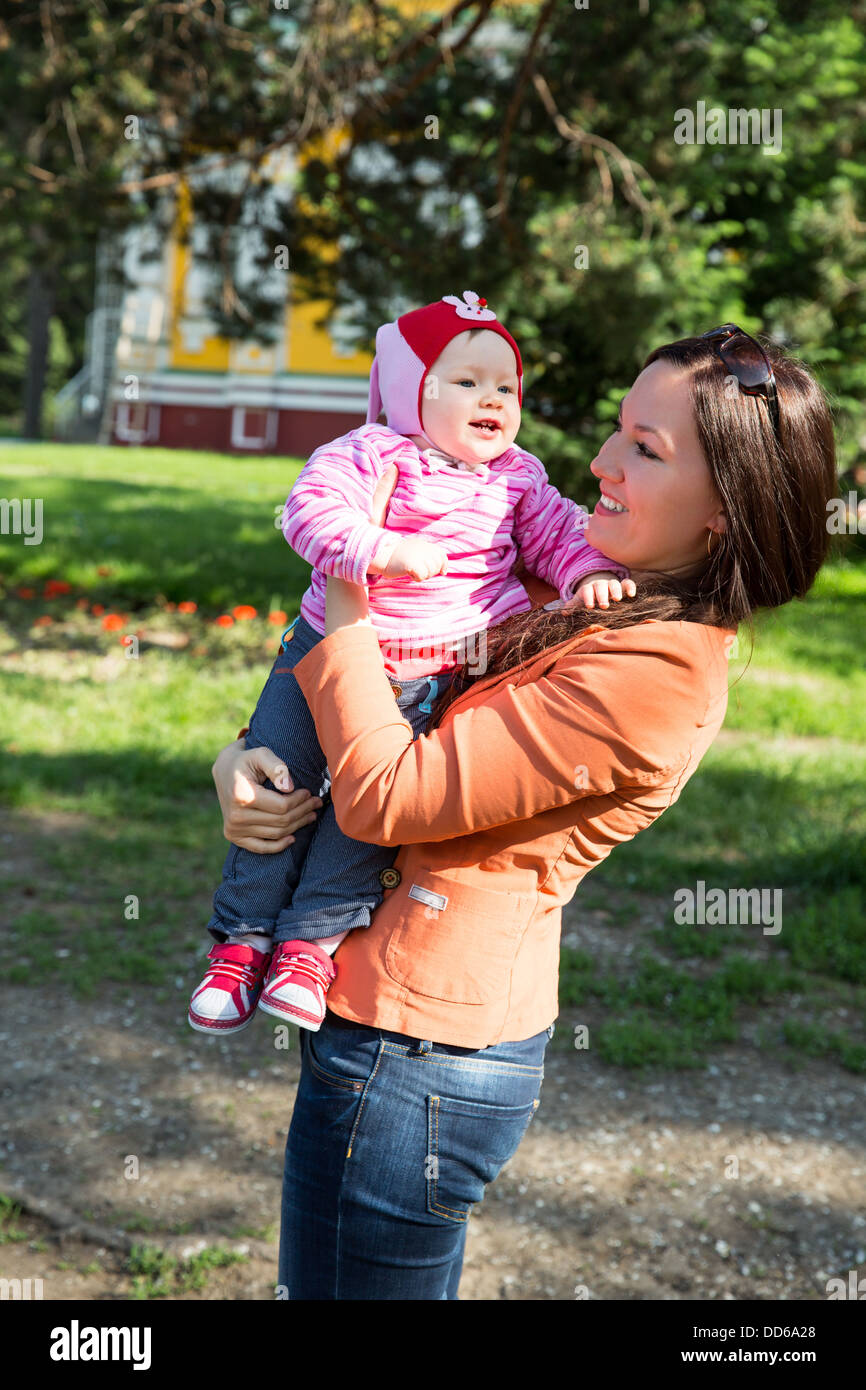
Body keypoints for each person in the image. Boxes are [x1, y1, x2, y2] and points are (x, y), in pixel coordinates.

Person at [210, 326, 836, 1299]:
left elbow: (388, 795)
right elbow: (391, 689)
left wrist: (346, 590)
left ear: (723, 511)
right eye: (617, 430)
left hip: (415, 1057)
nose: (599, 460)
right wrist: (243, 760)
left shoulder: (655, 668)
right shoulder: (587, 585)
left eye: (644, 446)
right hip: (391, 1023)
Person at [190, 289, 628, 1036]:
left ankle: (308, 945)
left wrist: (586, 571)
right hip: (321, 655)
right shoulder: (371, 452)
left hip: (434, 674)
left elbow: (559, 533)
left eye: (505, 386)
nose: (491, 399)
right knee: (277, 784)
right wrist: (379, 549)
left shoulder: (518, 477)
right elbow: (310, 511)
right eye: (465, 382)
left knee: (367, 817)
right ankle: (241, 941)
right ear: (409, 390)